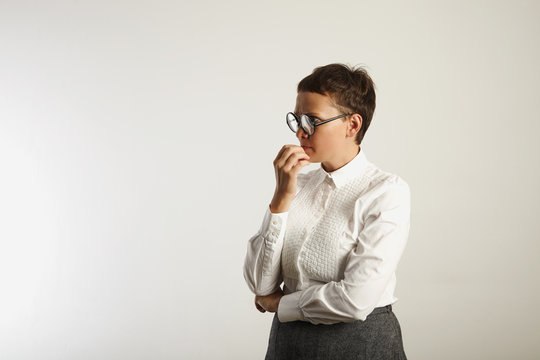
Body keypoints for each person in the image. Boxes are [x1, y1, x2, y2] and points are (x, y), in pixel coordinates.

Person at [243, 63, 410, 360]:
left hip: (360, 345)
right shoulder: (298, 184)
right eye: (297, 120)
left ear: (352, 125)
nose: (300, 133)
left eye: (312, 121)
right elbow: (260, 284)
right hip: (288, 344)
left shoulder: (386, 193)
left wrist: (281, 306)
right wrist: (281, 196)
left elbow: (355, 300)